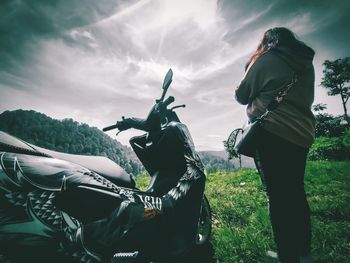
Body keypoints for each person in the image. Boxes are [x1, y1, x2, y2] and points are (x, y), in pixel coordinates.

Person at [235, 27, 316, 263]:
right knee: (295, 193)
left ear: (268, 41)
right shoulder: (305, 64)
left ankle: (287, 257)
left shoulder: (266, 59)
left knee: (278, 198)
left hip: (272, 133)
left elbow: (242, 95)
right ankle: (303, 254)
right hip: (301, 134)